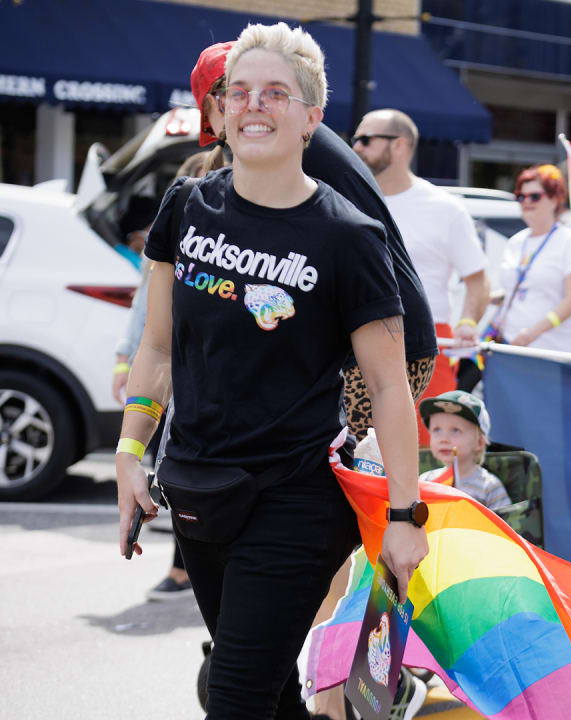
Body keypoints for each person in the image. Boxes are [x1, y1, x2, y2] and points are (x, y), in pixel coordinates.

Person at [114, 23, 430, 719]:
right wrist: (132, 450)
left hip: (296, 500)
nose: (254, 105)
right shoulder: (185, 205)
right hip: (200, 488)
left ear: (312, 117)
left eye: (277, 93)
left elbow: (385, 386)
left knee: (232, 695)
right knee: (264, 689)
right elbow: (159, 348)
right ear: (220, 111)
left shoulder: (349, 236)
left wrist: (407, 514)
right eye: (240, 92)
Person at [187, 41, 438, 444]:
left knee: (339, 470)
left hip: (383, 329)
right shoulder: (291, 130)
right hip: (379, 323)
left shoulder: (287, 138)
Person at [112, 150, 211, 603]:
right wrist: (123, 361)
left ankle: (182, 568)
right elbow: (146, 321)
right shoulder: (171, 236)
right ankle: (180, 567)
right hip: (168, 382)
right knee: (167, 469)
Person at [352, 108, 490, 399]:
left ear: (399, 145)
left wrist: (467, 322)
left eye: (366, 139)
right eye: (356, 139)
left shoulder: (445, 208)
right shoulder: (348, 200)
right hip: (357, 335)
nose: (356, 147)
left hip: (426, 340)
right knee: (360, 442)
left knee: (424, 441)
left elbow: (477, 279)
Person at [492, 164, 571, 352]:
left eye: (534, 196)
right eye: (521, 196)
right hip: (512, 346)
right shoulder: (515, 242)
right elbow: (522, 288)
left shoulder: (569, 240)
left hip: (554, 352)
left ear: (554, 199)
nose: (526, 201)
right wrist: (487, 296)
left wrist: (532, 333)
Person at [419, 390, 512, 509]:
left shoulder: (489, 486)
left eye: (455, 430)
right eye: (437, 429)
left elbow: (504, 524)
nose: (444, 439)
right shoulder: (426, 481)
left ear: (479, 442)